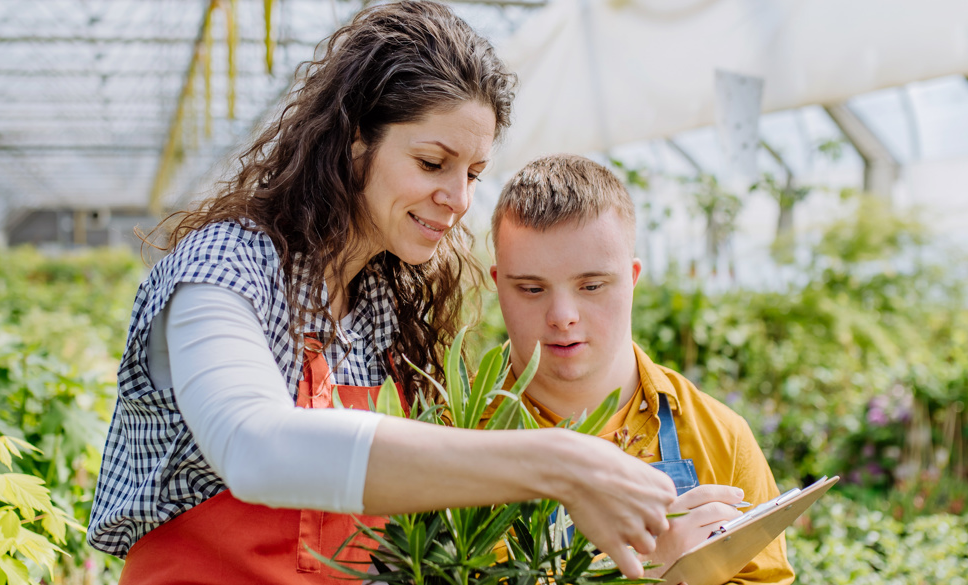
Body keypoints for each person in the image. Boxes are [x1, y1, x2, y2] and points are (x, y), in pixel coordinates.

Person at [86, 3, 678, 583]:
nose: (459, 198)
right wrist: (558, 464)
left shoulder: (383, 305)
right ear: (352, 141)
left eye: (471, 174)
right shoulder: (227, 266)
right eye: (431, 163)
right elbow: (254, 449)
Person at [487, 154, 796, 583]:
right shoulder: (450, 433)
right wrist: (650, 570)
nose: (562, 315)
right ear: (498, 284)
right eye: (532, 288)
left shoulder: (721, 438)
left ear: (631, 278)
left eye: (591, 286)